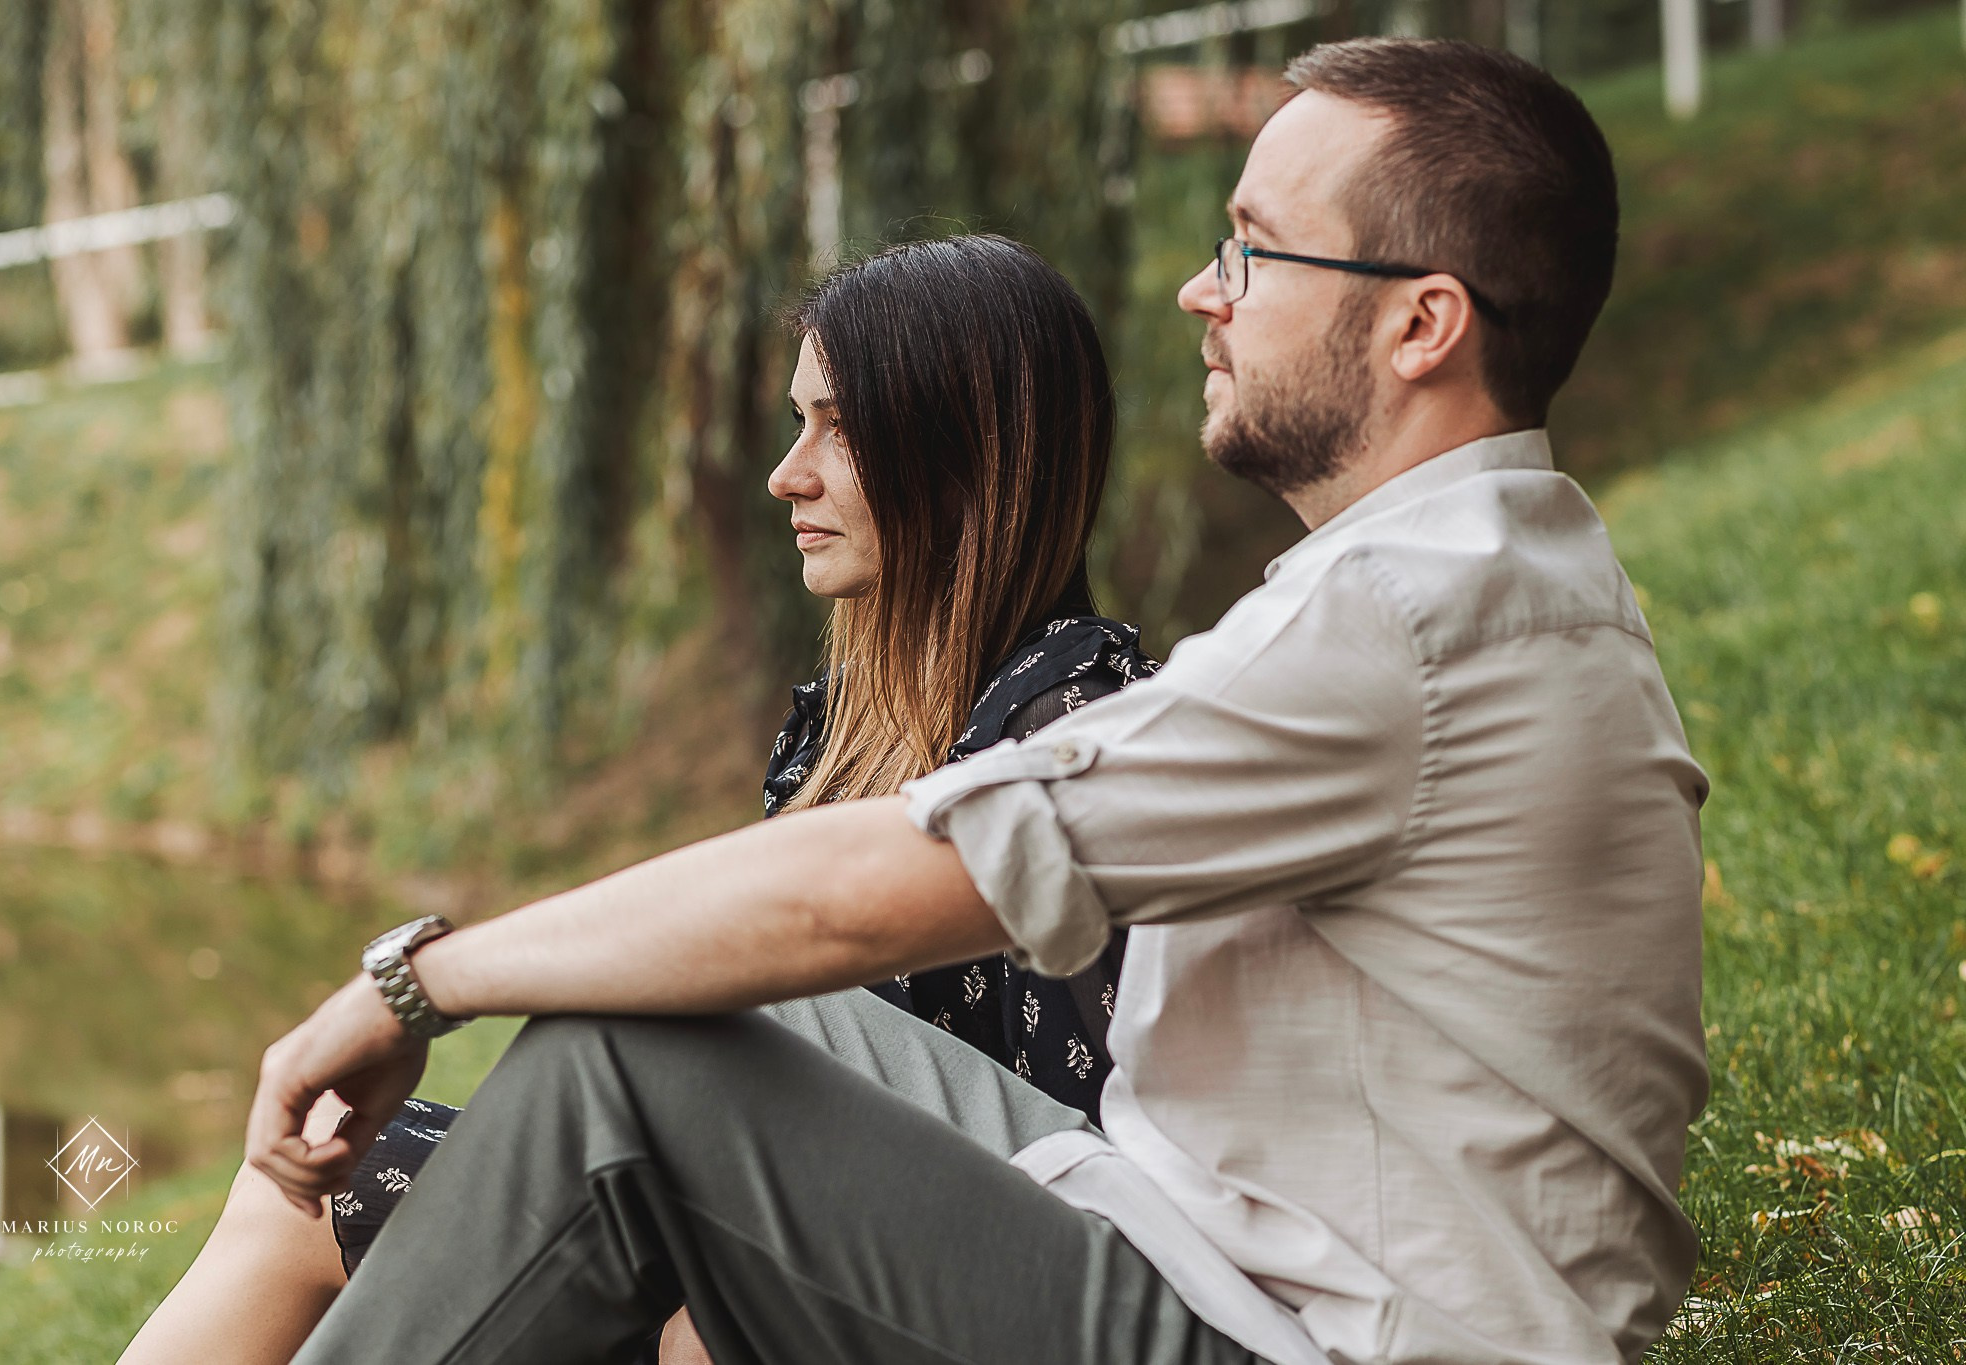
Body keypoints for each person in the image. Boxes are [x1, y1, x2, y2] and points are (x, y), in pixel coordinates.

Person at [241, 37, 1710, 1365]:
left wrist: (421, 981)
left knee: (612, 1075)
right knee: (718, 1007)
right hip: (1201, 1246)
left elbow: (883, 887)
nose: (1207, 290)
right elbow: (816, 921)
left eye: (1258, 253)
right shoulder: (1464, 578)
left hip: (1315, 1339)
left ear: (1422, 325)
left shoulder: (1413, 617)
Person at [116, 234, 1154, 1365]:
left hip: (951, 1283)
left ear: (969, 453)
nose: (787, 472)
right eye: (797, 421)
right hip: (748, 1218)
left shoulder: (1076, 721)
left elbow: (1112, 1136)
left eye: (839, 428)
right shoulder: (836, 723)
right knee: (320, 1185)